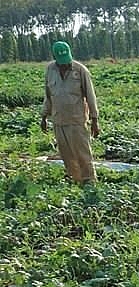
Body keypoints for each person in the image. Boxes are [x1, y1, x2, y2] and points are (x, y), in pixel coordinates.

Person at [40, 41, 100, 184]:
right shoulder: (50, 70)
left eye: (66, 61)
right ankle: (75, 178)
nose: (64, 65)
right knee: (66, 154)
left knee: (82, 153)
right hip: (59, 120)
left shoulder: (80, 70)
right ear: (54, 57)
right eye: (61, 62)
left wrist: (95, 120)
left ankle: (89, 180)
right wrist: (44, 116)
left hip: (77, 120)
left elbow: (91, 97)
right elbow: (48, 95)